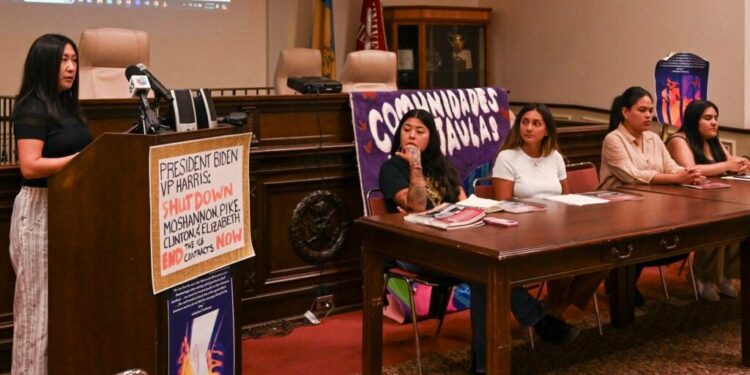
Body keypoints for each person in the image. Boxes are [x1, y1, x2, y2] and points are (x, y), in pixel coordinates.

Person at [378, 109, 578, 375]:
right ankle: (539, 322)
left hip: (452, 246)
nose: (412, 135)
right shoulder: (392, 168)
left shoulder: (443, 168)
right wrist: (414, 166)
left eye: (420, 130)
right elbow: (416, 204)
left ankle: (484, 367)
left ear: (431, 137)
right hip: (414, 251)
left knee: (484, 273)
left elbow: (461, 203)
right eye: (407, 129)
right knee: (482, 272)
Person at [9, 34, 92, 375]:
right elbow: (30, 165)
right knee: (35, 314)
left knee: (63, 312)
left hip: (68, 211)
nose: (71, 67)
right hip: (39, 211)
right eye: (63, 60)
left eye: (74, 60)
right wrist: (82, 160)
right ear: (45, 64)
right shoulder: (33, 106)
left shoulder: (67, 106)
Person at [492, 103, 604, 319]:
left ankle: (554, 307)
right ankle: (554, 309)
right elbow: (503, 205)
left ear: (547, 130)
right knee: (562, 257)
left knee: (603, 255)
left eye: (536, 123)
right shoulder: (507, 157)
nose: (529, 128)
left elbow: (566, 198)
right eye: (525, 122)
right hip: (522, 230)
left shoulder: (554, 157)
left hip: (556, 226)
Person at [599, 86, 703, 306]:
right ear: (626, 112)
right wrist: (675, 179)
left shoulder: (653, 138)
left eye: (650, 110)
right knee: (643, 241)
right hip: (618, 207)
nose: (648, 115)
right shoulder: (613, 139)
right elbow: (631, 175)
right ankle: (620, 282)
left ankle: (622, 278)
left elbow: (671, 166)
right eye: (642, 110)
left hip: (652, 202)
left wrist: (688, 174)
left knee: (679, 243)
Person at [665, 100, 749, 301]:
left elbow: (728, 164)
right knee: (716, 223)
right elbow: (690, 169)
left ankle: (725, 275)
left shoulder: (713, 140)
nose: (714, 123)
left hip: (719, 197)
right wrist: (727, 165)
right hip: (686, 202)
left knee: (740, 222)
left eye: (716, 118)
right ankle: (704, 276)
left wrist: (741, 163)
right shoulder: (679, 140)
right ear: (694, 120)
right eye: (708, 118)